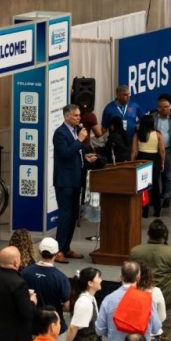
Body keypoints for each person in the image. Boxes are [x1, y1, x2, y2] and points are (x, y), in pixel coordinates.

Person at [96, 261, 163, 341]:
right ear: (138, 278)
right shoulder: (147, 299)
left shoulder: (109, 299)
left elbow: (99, 329)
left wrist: (113, 333)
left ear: (120, 277)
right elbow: (156, 328)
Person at [53, 104, 97, 262]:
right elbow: (64, 154)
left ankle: (66, 248)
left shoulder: (74, 131)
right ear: (66, 116)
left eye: (79, 115)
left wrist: (84, 158)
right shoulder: (60, 133)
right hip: (64, 181)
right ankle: (57, 251)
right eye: (76, 116)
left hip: (76, 179)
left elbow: (74, 153)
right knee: (65, 216)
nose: (79, 118)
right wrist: (79, 140)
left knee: (73, 216)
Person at [130, 115, 165, 217]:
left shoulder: (138, 134)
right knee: (155, 186)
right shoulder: (158, 134)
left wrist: (132, 163)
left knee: (144, 187)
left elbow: (134, 151)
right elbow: (162, 150)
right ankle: (157, 210)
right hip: (155, 159)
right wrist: (162, 162)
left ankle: (145, 211)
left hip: (141, 159)